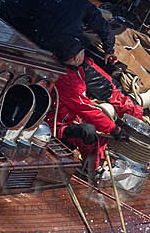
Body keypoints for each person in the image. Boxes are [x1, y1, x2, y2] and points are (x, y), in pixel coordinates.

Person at [54, 40, 145, 171]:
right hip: (58, 126)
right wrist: (115, 130)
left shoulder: (75, 69)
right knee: (89, 133)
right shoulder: (68, 79)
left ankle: (98, 163)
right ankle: (90, 171)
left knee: (95, 126)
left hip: (66, 116)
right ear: (76, 57)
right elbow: (86, 109)